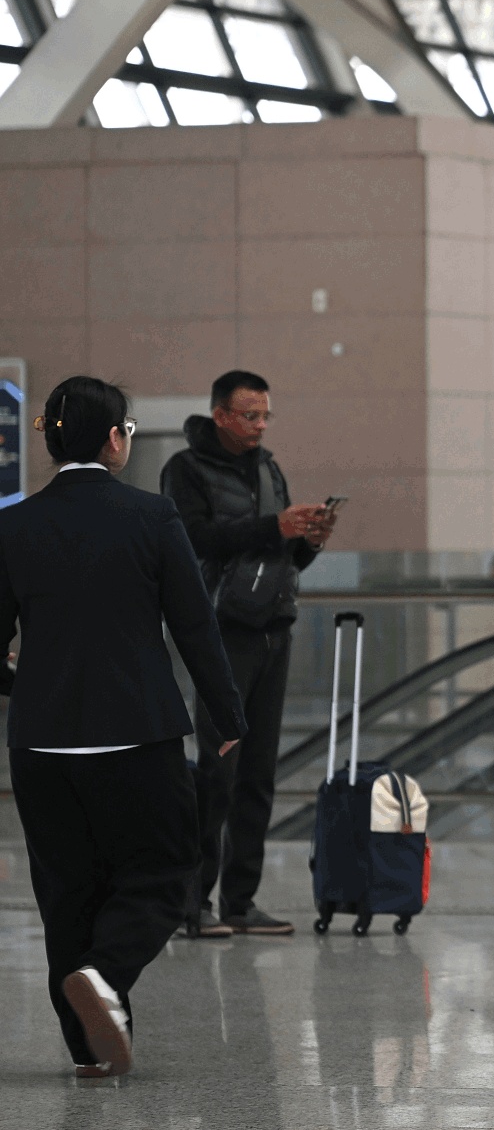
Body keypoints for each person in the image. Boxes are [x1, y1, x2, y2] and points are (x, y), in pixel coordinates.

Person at [0, 377, 245, 1078]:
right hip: (136, 734)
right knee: (168, 870)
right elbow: (194, 626)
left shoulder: (13, 524)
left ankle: (92, 1052)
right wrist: (227, 713)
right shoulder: (151, 515)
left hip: (41, 743)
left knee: (67, 893)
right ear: (114, 439)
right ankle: (105, 975)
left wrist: (25, 683)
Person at [160, 370, 335, 938]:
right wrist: (271, 525)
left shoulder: (269, 469)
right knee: (219, 770)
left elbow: (283, 555)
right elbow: (192, 541)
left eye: (265, 415)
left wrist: (306, 541)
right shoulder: (186, 470)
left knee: (258, 773)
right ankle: (194, 904)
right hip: (221, 633)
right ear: (220, 416)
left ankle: (241, 901)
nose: (260, 426)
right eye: (250, 415)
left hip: (273, 628)